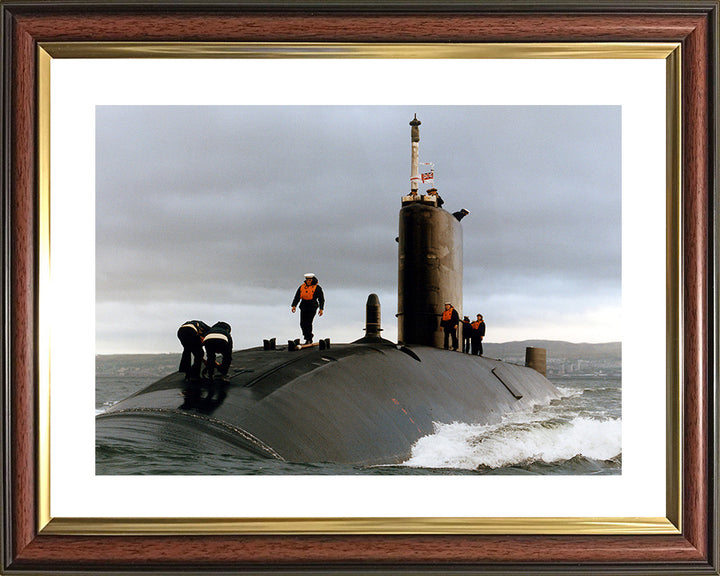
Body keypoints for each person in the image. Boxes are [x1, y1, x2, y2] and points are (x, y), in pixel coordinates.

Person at [291, 273, 325, 345]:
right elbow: (297, 297)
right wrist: (294, 305)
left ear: (312, 280)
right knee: (302, 323)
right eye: (307, 280)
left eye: (310, 280)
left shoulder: (317, 288)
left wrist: (321, 309)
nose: (308, 281)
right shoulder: (302, 287)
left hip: (312, 306)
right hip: (304, 306)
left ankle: (309, 338)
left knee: (308, 323)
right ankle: (306, 336)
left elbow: (321, 299)